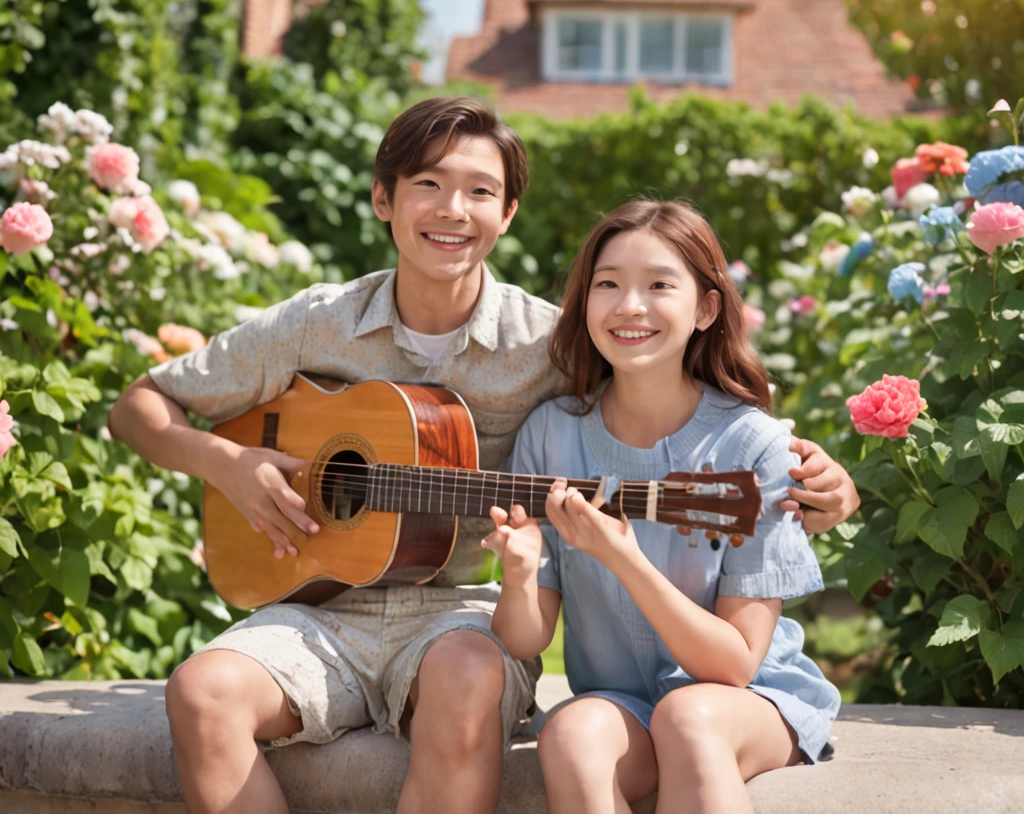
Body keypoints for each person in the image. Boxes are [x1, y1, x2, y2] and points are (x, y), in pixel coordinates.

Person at [108, 99, 855, 814]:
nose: (452, 210)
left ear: (507, 214)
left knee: (470, 677)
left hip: (455, 613)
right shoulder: (314, 324)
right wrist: (225, 464)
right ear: (382, 199)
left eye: (479, 191)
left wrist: (825, 486)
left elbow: (682, 418)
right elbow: (137, 407)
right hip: (313, 606)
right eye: (427, 185)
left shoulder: (554, 344)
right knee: (200, 692)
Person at [484, 198, 842, 814]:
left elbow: (733, 664)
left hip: (749, 699)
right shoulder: (550, 433)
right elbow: (525, 639)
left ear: (706, 308)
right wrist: (517, 576)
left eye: (658, 285)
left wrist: (624, 560)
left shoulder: (754, 445)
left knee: (689, 715)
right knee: (569, 733)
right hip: (622, 701)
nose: (629, 306)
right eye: (607, 285)